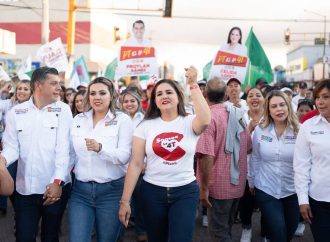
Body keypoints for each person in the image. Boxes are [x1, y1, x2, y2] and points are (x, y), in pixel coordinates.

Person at [119, 66, 211, 242]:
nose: (164, 96)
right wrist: (125, 201)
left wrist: (193, 84)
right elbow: (136, 163)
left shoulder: (190, 121)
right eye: (159, 94)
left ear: (178, 97)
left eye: (169, 92)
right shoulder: (145, 126)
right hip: (152, 192)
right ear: (154, 100)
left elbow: (206, 119)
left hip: (185, 191)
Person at [0, 67, 73, 242]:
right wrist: (2, 159)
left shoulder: (63, 110)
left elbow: (65, 150)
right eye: (54, 83)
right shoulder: (16, 112)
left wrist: (57, 182)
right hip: (25, 189)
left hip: (55, 189)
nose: (59, 88)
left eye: (59, 84)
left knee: (50, 236)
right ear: (38, 85)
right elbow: (11, 147)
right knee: (23, 237)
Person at [68, 77, 133, 242]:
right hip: (80, 191)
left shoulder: (122, 120)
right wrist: (58, 180)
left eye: (102, 93)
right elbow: (70, 155)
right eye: (93, 93)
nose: (97, 97)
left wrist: (101, 149)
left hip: (111, 192)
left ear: (111, 95)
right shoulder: (78, 120)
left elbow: (125, 156)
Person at [196, 77, 251, 242]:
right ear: (226, 94)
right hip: (237, 184)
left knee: (219, 233)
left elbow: (206, 156)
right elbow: (248, 146)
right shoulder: (238, 114)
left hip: (217, 186)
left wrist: (204, 188)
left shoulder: (208, 118)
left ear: (205, 96)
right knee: (226, 229)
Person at [249, 90, 300, 242]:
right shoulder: (260, 130)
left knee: (290, 231)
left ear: (288, 107)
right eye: (274, 106)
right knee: (277, 231)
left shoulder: (299, 130)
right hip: (266, 188)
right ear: (268, 110)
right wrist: (251, 181)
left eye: (282, 105)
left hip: (293, 191)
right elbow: (256, 158)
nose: (279, 109)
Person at [293, 79, 330, 242]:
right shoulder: (308, 126)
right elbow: (301, 166)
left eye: (326, 97)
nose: (320, 102)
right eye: (317, 97)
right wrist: (302, 199)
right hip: (319, 200)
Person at [0, 79, 32, 214]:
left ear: (31, 92)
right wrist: (1, 89)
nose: (22, 91)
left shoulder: (35, 108)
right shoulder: (9, 104)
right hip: (11, 151)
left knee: (27, 185)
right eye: (19, 88)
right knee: (9, 182)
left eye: (25, 89)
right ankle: (18, 213)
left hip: (28, 152)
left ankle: (27, 215)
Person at [240, 87, 266, 242]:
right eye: (251, 96)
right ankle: (246, 228)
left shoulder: (271, 116)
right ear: (246, 100)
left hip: (266, 168)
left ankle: (265, 232)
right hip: (245, 167)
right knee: (246, 202)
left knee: (266, 204)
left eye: (258, 95)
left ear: (264, 99)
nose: (255, 98)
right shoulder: (240, 118)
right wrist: (248, 129)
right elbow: (236, 145)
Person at [121, 90, 147, 242]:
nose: (129, 104)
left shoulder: (145, 119)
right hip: (121, 167)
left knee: (140, 200)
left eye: (132, 101)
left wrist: (145, 163)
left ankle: (141, 230)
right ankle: (120, 232)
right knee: (123, 201)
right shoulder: (116, 119)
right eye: (126, 101)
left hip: (140, 167)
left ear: (138, 102)